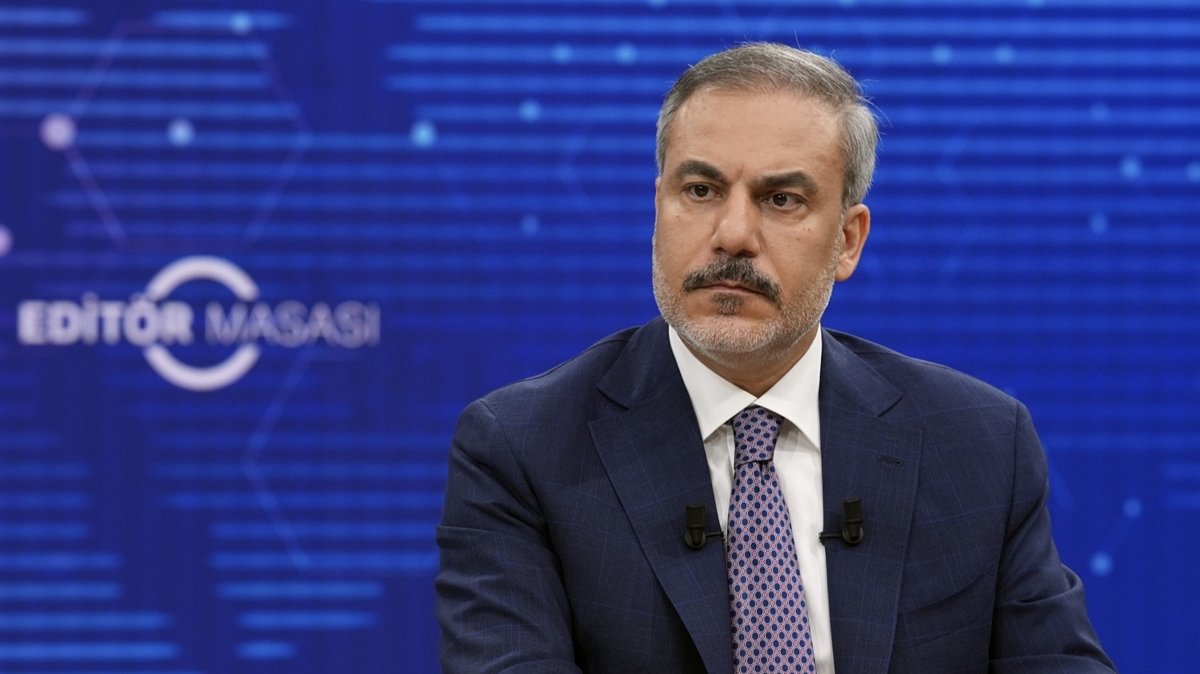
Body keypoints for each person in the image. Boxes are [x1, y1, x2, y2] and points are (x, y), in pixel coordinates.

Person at [435, 42, 1115, 673]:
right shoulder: (524, 449)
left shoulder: (980, 442)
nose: (732, 234)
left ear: (848, 241)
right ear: (658, 207)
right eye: (700, 191)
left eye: (781, 199)